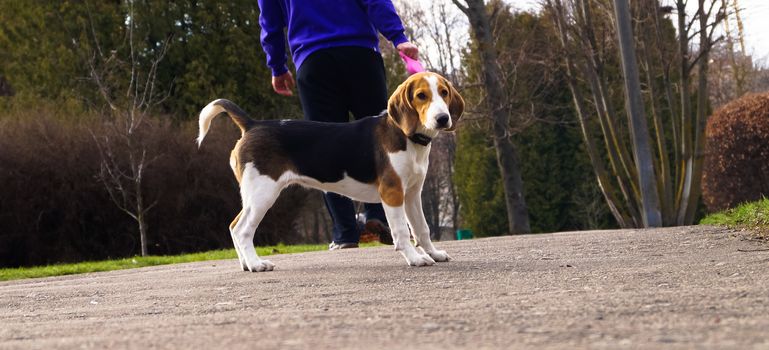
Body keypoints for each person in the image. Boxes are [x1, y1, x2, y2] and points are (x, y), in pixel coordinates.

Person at [257, 0, 419, 250]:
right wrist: (398, 37)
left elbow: (271, 21)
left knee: (325, 148)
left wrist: (277, 66)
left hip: (313, 59)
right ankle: (377, 214)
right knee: (383, 138)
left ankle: (345, 232)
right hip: (360, 54)